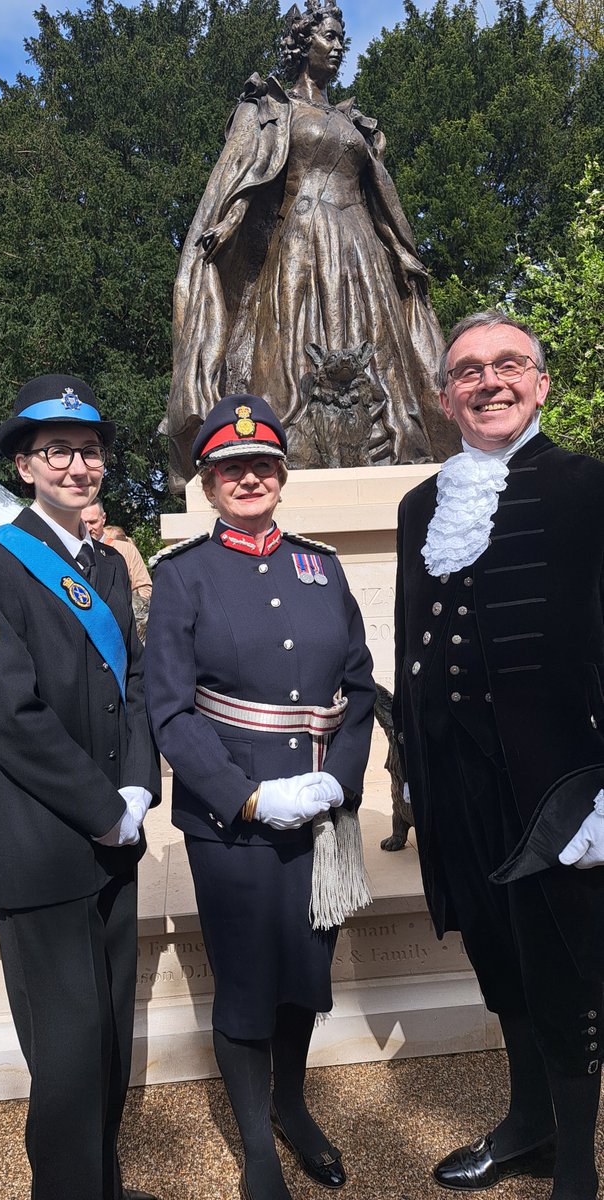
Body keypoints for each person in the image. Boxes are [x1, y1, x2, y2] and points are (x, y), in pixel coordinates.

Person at [394, 311, 604, 1200]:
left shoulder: (589, 487)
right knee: (499, 956)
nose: (491, 382)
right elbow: (415, 636)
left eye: (509, 364)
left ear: (542, 382)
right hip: (460, 778)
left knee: (564, 962)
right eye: (469, 372)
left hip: (556, 778)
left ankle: (577, 1166)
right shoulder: (420, 506)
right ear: (447, 399)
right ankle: (527, 1124)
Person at [145, 394, 376, 1200]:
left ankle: (292, 1105)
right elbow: (169, 709)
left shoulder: (323, 565)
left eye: (262, 466)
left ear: (281, 476)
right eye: (229, 468)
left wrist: (339, 782)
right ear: (207, 484)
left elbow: (359, 688)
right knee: (246, 980)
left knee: (304, 975)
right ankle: (256, 1149)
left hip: (318, 815)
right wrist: (244, 799)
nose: (248, 477)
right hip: (231, 822)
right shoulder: (183, 575)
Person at [0, 375, 160, 1200]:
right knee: (69, 1054)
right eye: (57, 451)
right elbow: (10, 712)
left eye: (88, 450)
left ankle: (102, 1186)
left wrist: (141, 788)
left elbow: (139, 681)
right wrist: (103, 807)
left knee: (110, 1035)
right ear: (24, 465)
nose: (78, 466)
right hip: (46, 844)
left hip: (116, 837)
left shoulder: (106, 559)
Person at [163, 0, 452, 492]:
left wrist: (401, 253)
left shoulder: (354, 121)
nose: (338, 47)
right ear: (302, 44)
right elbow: (235, 178)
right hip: (298, 239)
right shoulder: (270, 108)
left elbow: (380, 200)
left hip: (360, 247)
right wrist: (228, 220)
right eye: (329, 37)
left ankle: (385, 448)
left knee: (378, 348)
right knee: (292, 347)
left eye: (341, 39)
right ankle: (290, 448)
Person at [83, 504, 153, 602]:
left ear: (103, 518)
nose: (88, 528)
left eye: (93, 522)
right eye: (83, 522)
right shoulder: (72, 550)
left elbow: (144, 588)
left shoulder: (126, 549)